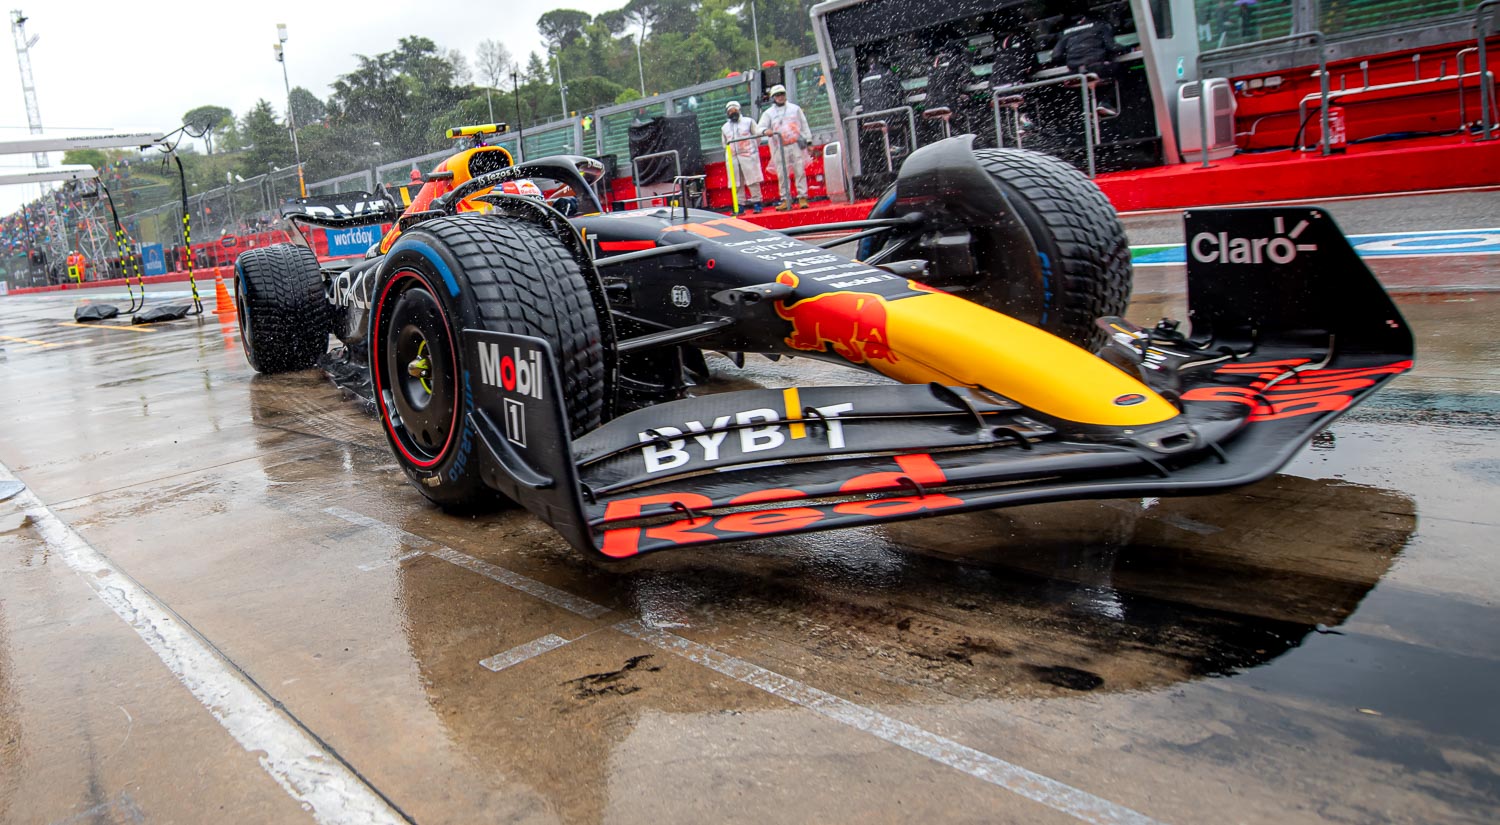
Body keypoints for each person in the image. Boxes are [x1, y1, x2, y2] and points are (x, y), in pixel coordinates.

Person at [1049, 9, 1125, 116]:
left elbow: (1056, 56)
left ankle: (1088, 107)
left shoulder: (1067, 31)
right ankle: (1106, 102)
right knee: (1121, 68)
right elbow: (1112, 47)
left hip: (1075, 74)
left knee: (1090, 79)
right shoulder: (1101, 24)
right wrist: (1128, 49)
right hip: (1096, 68)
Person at [757, 84, 813, 210]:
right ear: (773, 97)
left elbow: (804, 125)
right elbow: (759, 128)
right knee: (782, 174)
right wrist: (766, 131)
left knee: (800, 170)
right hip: (779, 147)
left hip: (795, 144)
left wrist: (809, 142)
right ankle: (785, 199)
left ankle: (802, 197)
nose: (780, 97)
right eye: (777, 95)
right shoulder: (768, 113)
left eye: (782, 94)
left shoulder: (795, 109)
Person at [720, 100, 764, 214]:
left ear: (739, 110)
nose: (732, 112)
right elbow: (724, 144)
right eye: (730, 111)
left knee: (752, 180)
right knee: (736, 183)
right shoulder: (724, 127)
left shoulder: (748, 122)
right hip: (733, 158)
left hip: (748, 155)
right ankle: (739, 206)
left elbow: (757, 136)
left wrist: (751, 149)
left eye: (734, 110)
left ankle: (757, 203)